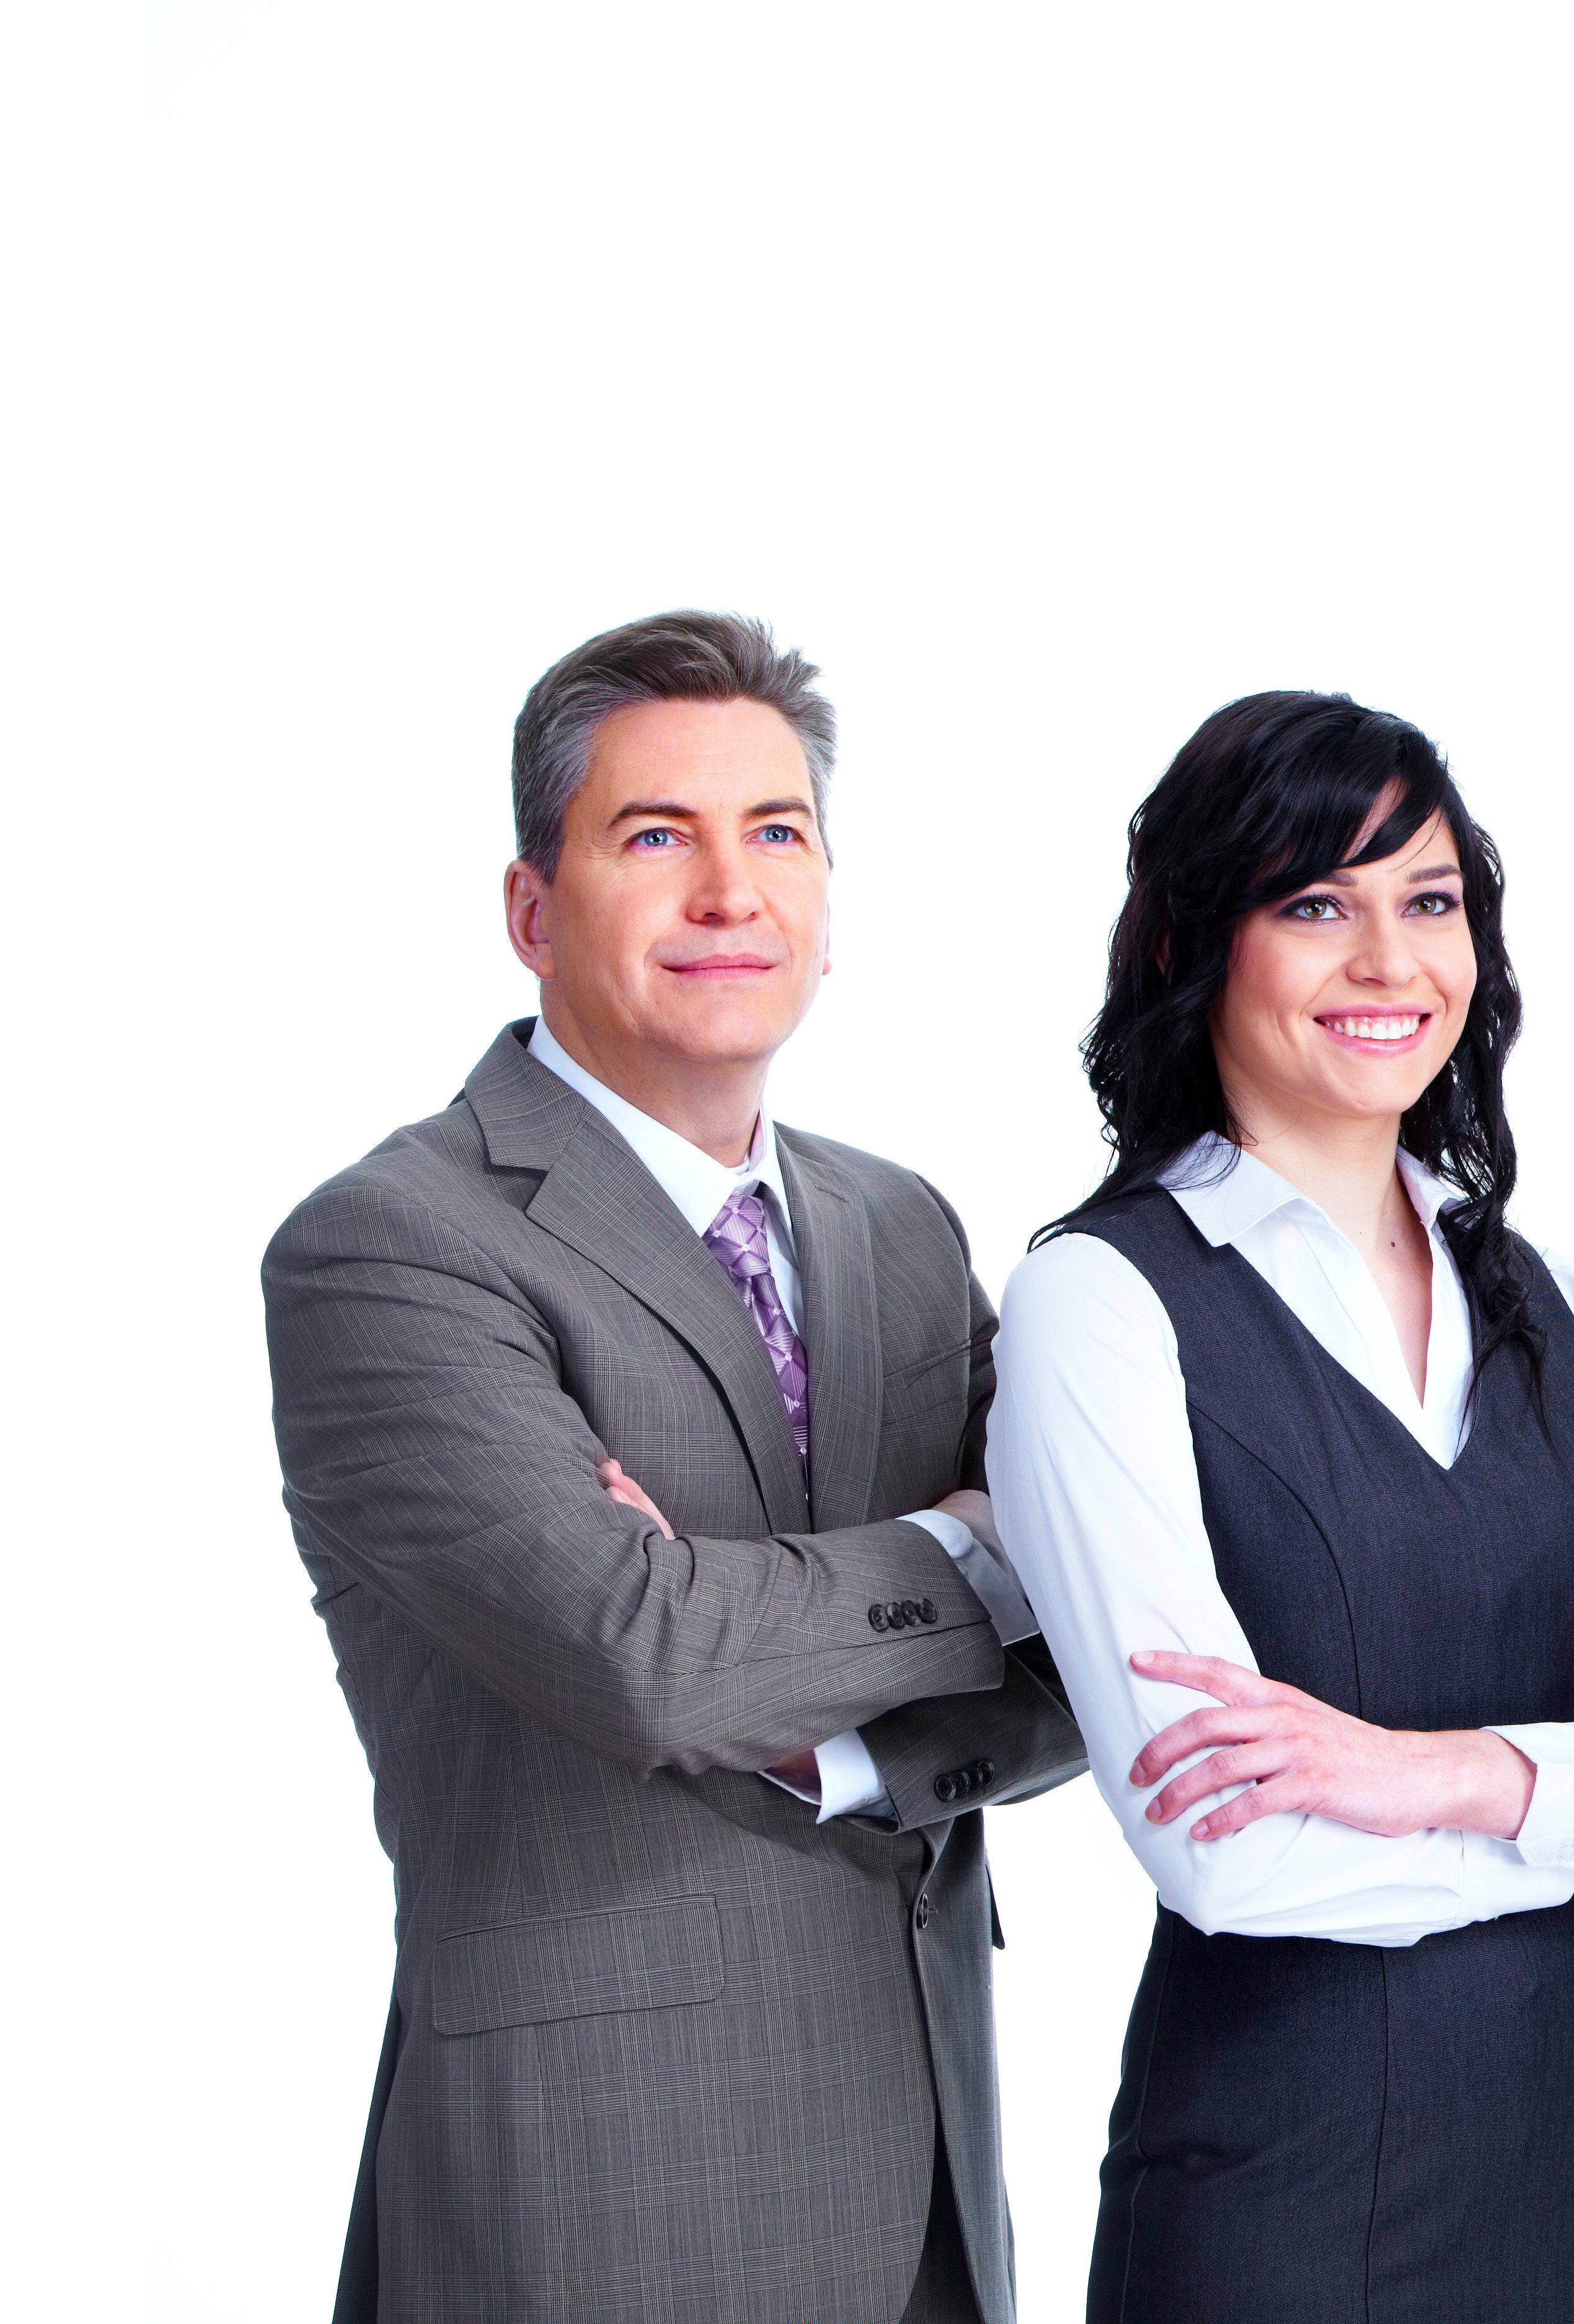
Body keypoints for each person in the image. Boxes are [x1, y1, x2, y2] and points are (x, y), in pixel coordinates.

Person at [263, 611, 1087, 2324]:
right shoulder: (397, 1247)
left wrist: (824, 1727)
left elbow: (1106, 1641)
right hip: (596, 2204)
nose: (730, 894)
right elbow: (649, 1658)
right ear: (530, 910)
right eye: (656, 837)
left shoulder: (902, 1226)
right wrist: (975, 1545)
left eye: (776, 833)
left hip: (933, 2195)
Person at [981, 691, 1574, 2324]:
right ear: (1191, 946)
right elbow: (1229, 1854)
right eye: (1314, 906)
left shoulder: (1573, 1311)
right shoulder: (1101, 1304)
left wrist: (1438, 1776)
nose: (1388, 962)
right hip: (1281, 2197)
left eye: (1429, 902)